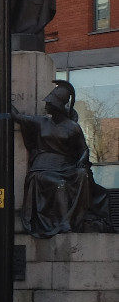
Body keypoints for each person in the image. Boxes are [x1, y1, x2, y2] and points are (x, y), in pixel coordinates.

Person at [13, 80, 113, 237]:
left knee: (82, 175)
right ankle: (64, 222)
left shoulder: (72, 127)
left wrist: (81, 160)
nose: (47, 105)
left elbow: (84, 149)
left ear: (58, 106)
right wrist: (1, 95)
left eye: (50, 103)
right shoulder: (41, 122)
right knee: (60, 185)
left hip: (65, 167)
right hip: (43, 168)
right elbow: (16, 116)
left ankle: (73, 220)